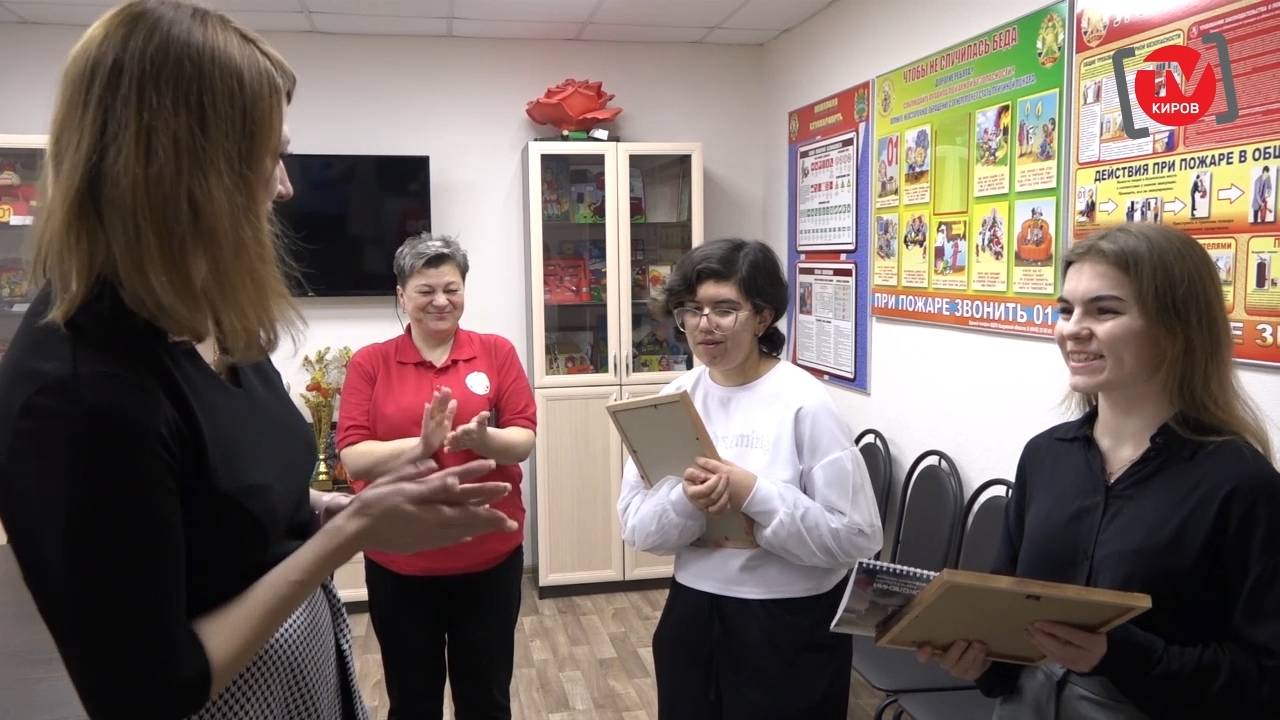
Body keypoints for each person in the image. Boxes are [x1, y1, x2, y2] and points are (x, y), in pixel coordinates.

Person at [0, 3, 517, 719]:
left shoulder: (217, 324)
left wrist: (329, 507)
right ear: (175, 167)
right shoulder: (77, 389)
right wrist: (351, 532)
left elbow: (228, 504)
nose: (284, 187)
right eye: (268, 156)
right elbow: (149, 688)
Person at [916, 224, 1280, 719]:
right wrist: (981, 659)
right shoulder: (1045, 456)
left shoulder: (1239, 483)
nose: (1072, 329)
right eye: (1066, 310)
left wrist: (1120, 656)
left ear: (1177, 327)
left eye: (1104, 310)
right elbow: (1008, 610)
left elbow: (1263, 678)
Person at [617, 238, 883, 720]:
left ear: (763, 317)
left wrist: (754, 493)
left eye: (724, 309)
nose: (704, 324)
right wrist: (685, 500)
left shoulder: (805, 403)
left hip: (787, 624)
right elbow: (636, 528)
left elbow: (857, 536)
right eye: (692, 309)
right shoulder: (674, 399)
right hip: (693, 615)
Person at [337, 233, 536, 720]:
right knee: (411, 701)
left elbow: (523, 439)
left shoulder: (496, 351)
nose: (441, 301)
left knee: (486, 699)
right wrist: (422, 445)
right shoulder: (371, 362)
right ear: (401, 295)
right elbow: (354, 456)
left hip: (489, 557)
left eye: (452, 288)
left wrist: (483, 440)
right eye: (426, 290)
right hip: (399, 560)